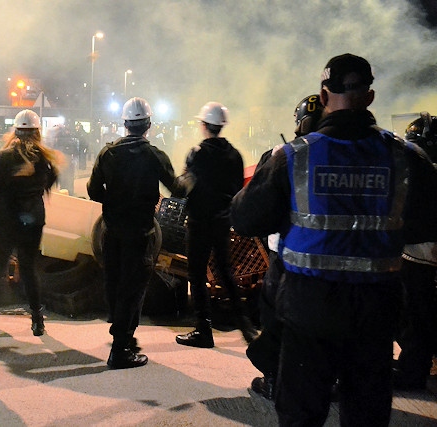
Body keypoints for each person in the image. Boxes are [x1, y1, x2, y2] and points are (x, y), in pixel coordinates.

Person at [230, 53, 437, 426]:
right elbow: (428, 225)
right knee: (366, 413)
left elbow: (245, 218)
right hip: (377, 310)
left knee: (301, 413)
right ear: (370, 97)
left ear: (324, 96)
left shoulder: (293, 157)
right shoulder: (405, 157)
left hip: (309, 308)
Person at [87, 97, 181, 369]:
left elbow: (94, 191)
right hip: (140, 232)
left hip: (112, 230)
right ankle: (120, 349)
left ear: (125, 124)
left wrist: (115, 201)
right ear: (148, 125)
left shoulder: (108, 154)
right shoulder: (155, 156)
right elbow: (177, 189)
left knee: (114, 283)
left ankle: (120, 334)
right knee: (134, 287)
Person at [246, 94, 324, 400]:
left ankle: (276, 381)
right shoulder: (361, 151)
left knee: (278, 319)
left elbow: (252, 212)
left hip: (288, 256)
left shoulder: (285, 154)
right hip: (337, 262)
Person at [174, 101, 257, 349]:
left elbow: (185, 187)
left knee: (197, 275)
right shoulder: (235, 155)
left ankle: (203, 330)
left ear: (203, 125)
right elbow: (238, 190)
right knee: (225, 272)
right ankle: (245, 326)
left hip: (199, 222)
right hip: (223, 222)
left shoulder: (197, 153)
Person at [0, 109, 60, 347]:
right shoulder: (45, 160)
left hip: (7, 221)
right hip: (33, 220)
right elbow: (49, 183)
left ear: (15, 131)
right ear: (37, 133)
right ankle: (37, 319)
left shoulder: (3, 157)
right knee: (29, 267)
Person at [393, 112, 437, 391]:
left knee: (414, 315)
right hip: (425, 249)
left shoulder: (423, 170)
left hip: (420, 252)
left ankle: (413, 371)